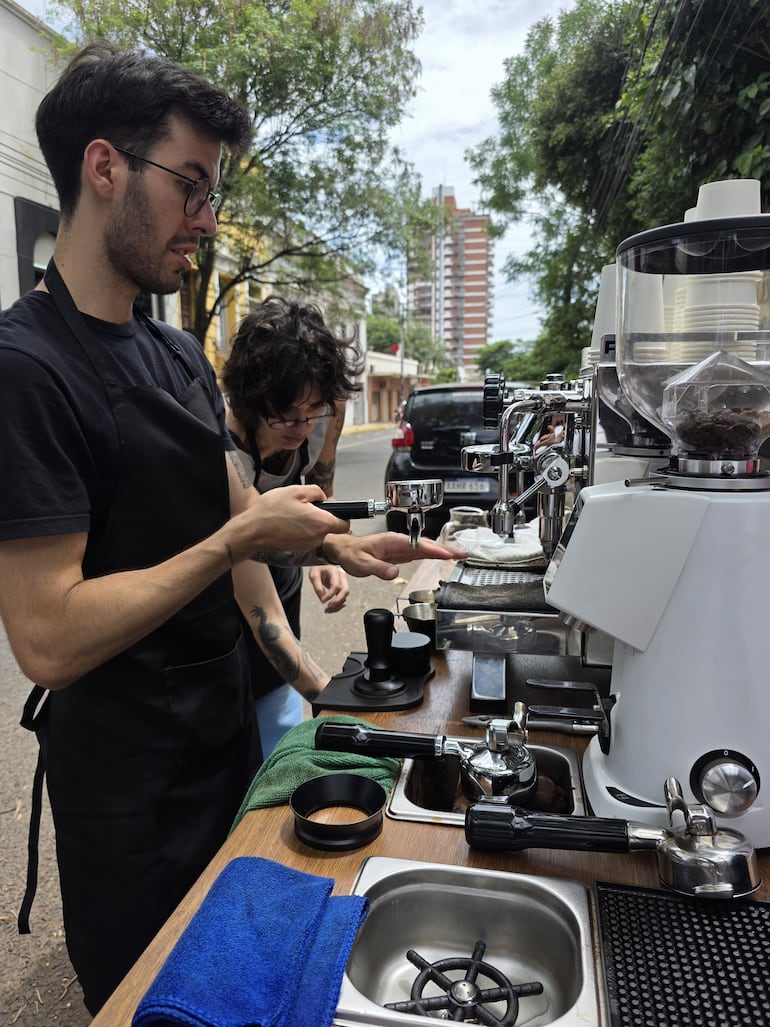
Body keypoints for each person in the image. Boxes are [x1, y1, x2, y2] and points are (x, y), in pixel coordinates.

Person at [0, 42, 458, 1014]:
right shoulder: (25, 370)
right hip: (124, 796)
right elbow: (46, 637)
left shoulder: (173, 351)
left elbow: (231, 501)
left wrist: (334, 541)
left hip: (222, 752)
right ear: (104, 167)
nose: (207, 220)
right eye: (191, 186)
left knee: (245, 979)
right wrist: (227, 550)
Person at [221, 297, 362, 755]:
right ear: (250, 400)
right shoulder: (228, 448)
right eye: (284, 415)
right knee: (241, 710)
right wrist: (340, 706)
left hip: (275, 570)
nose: (302, 426)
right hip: (224, 580)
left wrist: (325, 549)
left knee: (279, 717)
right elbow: (258, 598)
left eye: (313, 410)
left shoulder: (327, 409)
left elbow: (322, 491)